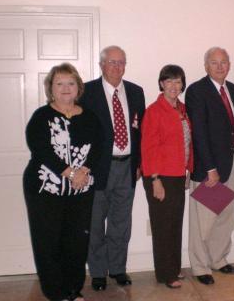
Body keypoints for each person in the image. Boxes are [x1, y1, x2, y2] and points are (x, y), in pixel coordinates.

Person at [23, 63, 101, 301]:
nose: (66, 88)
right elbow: (41, 149)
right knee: (49, 241)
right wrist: (69, 172)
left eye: (71, 83)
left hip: (81, 189)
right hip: (45, 189)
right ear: (51, 89)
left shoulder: (89, 117)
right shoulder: (41, 117)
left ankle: (72, 290)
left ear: (78, 87)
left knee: (77, 242)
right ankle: (56, 294)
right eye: (60, 84)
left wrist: (84, 171)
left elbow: (99, 146)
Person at [80, 45, 145, 291]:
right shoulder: (88, 92)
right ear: (102, 65)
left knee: (121, 223)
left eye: (121, 62)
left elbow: (140, 131)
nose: (117, 67)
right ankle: (97, 271)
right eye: (112, 62)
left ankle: (117, 268)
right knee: (95, 223)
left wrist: (139, 163)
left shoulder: (136, 92)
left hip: (127, 167)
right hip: (98, 168)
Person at [185, 47, 234, 285]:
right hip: (210, 168)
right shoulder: (197, 91)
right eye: (214, 63)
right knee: (204, 220)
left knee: (225, 216)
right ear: (206, 66)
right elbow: (198, 131)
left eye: (224, 62)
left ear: (229, 64)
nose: (220, 67)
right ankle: (199, 266)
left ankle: (218, 259)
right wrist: (209, 168)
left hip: (231, 161)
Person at [141, 65, 193, 289]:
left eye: (178, 81)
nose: (174, 85)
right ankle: (165, 273)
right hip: (160, 175)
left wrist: (188, 170)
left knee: (175, 223)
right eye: (169, 81)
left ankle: (173, 267)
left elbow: (188, 142)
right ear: (161, 83)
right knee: (163, 226)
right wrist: (155, 180)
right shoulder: (154, 110)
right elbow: (148, 148)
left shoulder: (182, 108)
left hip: (178, 174)